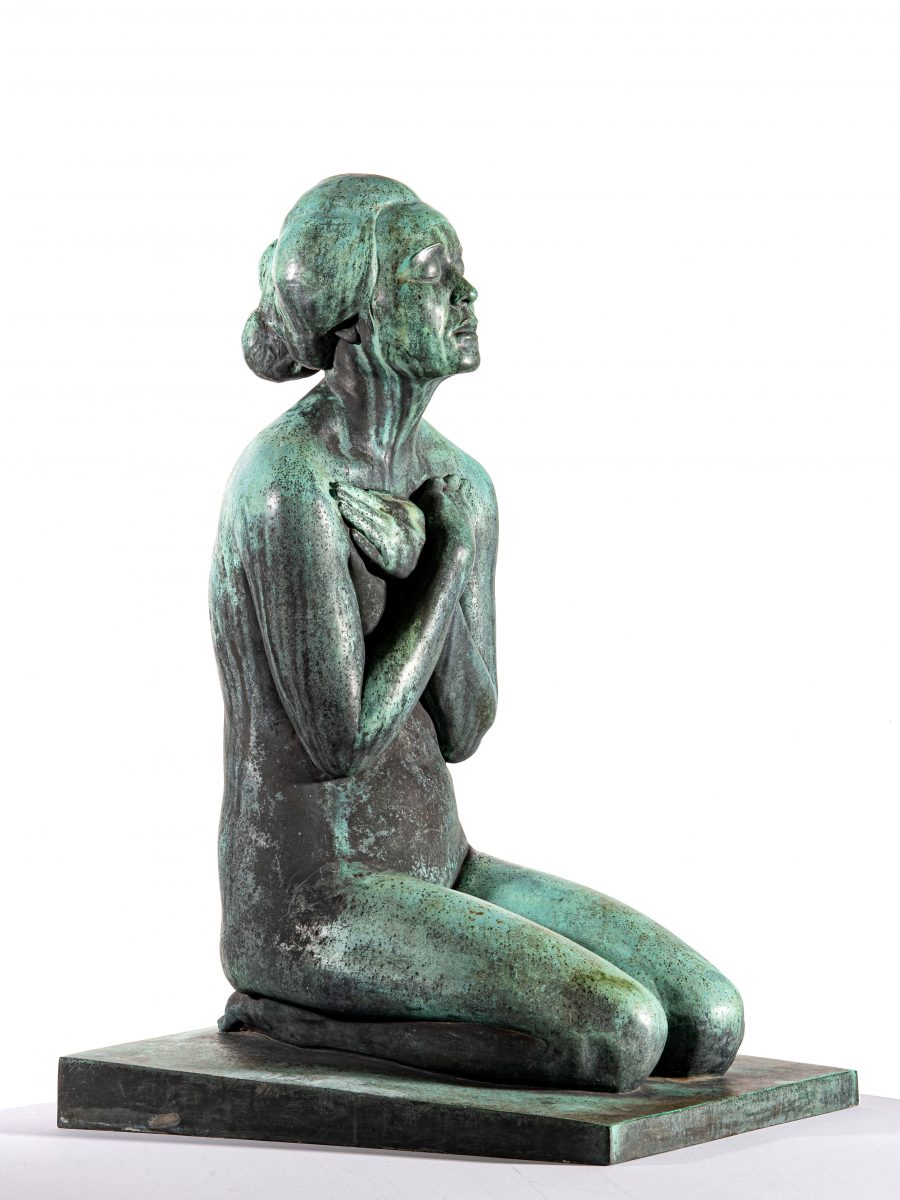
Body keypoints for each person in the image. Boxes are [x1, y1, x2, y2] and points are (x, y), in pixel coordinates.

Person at [210, 174, 744, 1092]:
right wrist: (445, 564)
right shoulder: (288, 483)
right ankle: (296, 1021)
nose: (468, 293)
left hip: (441, 867)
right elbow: (341, 743)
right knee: (618, 1036)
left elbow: (465, 727)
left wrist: (443, 546)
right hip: (314, 901)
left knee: (708, 1022)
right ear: (355, 317)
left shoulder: (461, 483)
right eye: (433, 274)